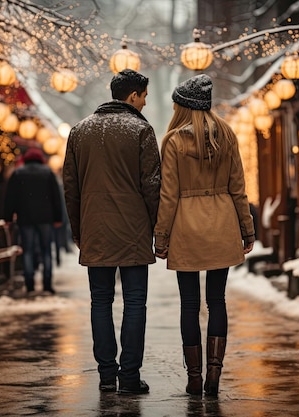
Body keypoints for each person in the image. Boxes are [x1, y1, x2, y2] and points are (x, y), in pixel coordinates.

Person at [153, 74, 255, 397]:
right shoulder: (226, 135)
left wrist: (161, 236)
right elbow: (238, 189)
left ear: (184, 107)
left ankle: (194, 377)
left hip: (186, 229)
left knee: (189, 304)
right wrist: (247, 228)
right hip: (222, 225)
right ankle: (215, 375)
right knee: (217, 301)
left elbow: (168, 195)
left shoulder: (173, 142)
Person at [63, 69, 161, 395]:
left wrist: (78, 230)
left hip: (95, 229)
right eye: (144, 96)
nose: (146, 103)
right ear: (133, 96)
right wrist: (157, 227)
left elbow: (71, 189)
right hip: (133, 230)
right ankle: (130, 376)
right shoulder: (141, 131)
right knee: (135, 303)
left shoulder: (79, 131)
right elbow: (152, 186)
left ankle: (106, 376)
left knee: (100, 303)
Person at [4, 147, 63, 294]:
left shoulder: (18, 173)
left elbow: (10, 198)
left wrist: (8, 217)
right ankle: (47, 284)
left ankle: (29, 284)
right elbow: (57, 198)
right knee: (46, 251)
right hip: (45, 218)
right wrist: (58, 217)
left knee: (28, 251)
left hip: (26, 217)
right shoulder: (48, 173)